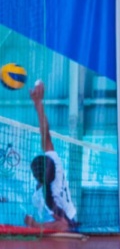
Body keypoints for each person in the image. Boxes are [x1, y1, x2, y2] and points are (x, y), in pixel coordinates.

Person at [25, 80, 77, 232]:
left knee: (62, 225)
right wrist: (38, 104)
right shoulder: (55, 163)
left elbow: (66, 224)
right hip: (58, 215)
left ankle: (38, 226)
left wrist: (37, 225)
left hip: (68, 221)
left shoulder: (51, 197)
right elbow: (45, 133)